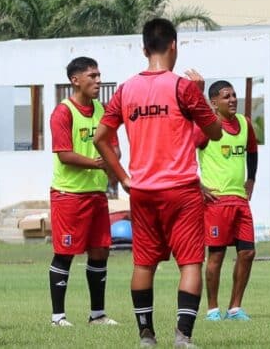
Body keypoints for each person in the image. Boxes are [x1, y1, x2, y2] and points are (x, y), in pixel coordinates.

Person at [93, 19, 221, 348]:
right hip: (182, 190)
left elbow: (101, 138)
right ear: (174, 46)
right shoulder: (183, 88)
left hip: (143, 191)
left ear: (144, 49)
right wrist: (200, 92)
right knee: (191, 261)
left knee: (144, 262)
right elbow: (214, 133)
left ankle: (146, 336)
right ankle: (183, 336)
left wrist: (123, 178)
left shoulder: (126, 89)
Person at [48, 57, 119, 327]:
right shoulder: (63, 112)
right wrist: (99, 163)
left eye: (99, 75)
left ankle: (97, 315)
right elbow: (64, 154)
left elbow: (113, 144)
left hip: (97, 194)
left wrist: (114, 161)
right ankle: (58, 317)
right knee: (65, 253)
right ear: (75, 80)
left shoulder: (103, 110)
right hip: (69, 194)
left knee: (100, 251)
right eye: (92, 76)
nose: (98, 81)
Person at [197, 80, 259, 322]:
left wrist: (251, 179)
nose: (232, 99)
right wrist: (198, 185)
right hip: (216, 201)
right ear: (214, 103)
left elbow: (252, 151)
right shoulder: (206, 127)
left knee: (248, 253)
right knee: (216, 256)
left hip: (240, 200)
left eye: (234, 95)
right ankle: (213, 309)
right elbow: (183, 152)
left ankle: (235, 308)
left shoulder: (245, 124)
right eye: (226, 96)